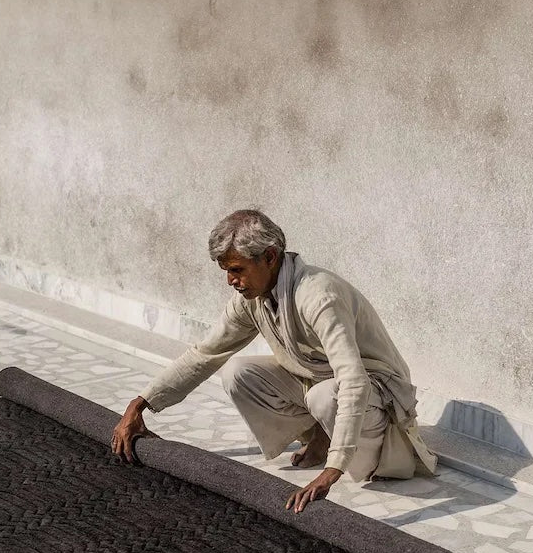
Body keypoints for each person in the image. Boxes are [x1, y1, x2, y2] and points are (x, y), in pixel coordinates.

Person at [111, 209, 438, 513]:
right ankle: (319, 436)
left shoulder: (319, 297)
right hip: (321, 384)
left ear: (269, 257)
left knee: (325, 396)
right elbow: (205, 353)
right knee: (238, 373)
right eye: (226, 271)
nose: (230, 281)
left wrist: (333, 470)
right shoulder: (251, 300)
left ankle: (368, 461)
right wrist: (139, 405)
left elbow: (353, 380)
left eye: (237, 270)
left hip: (378, 393)